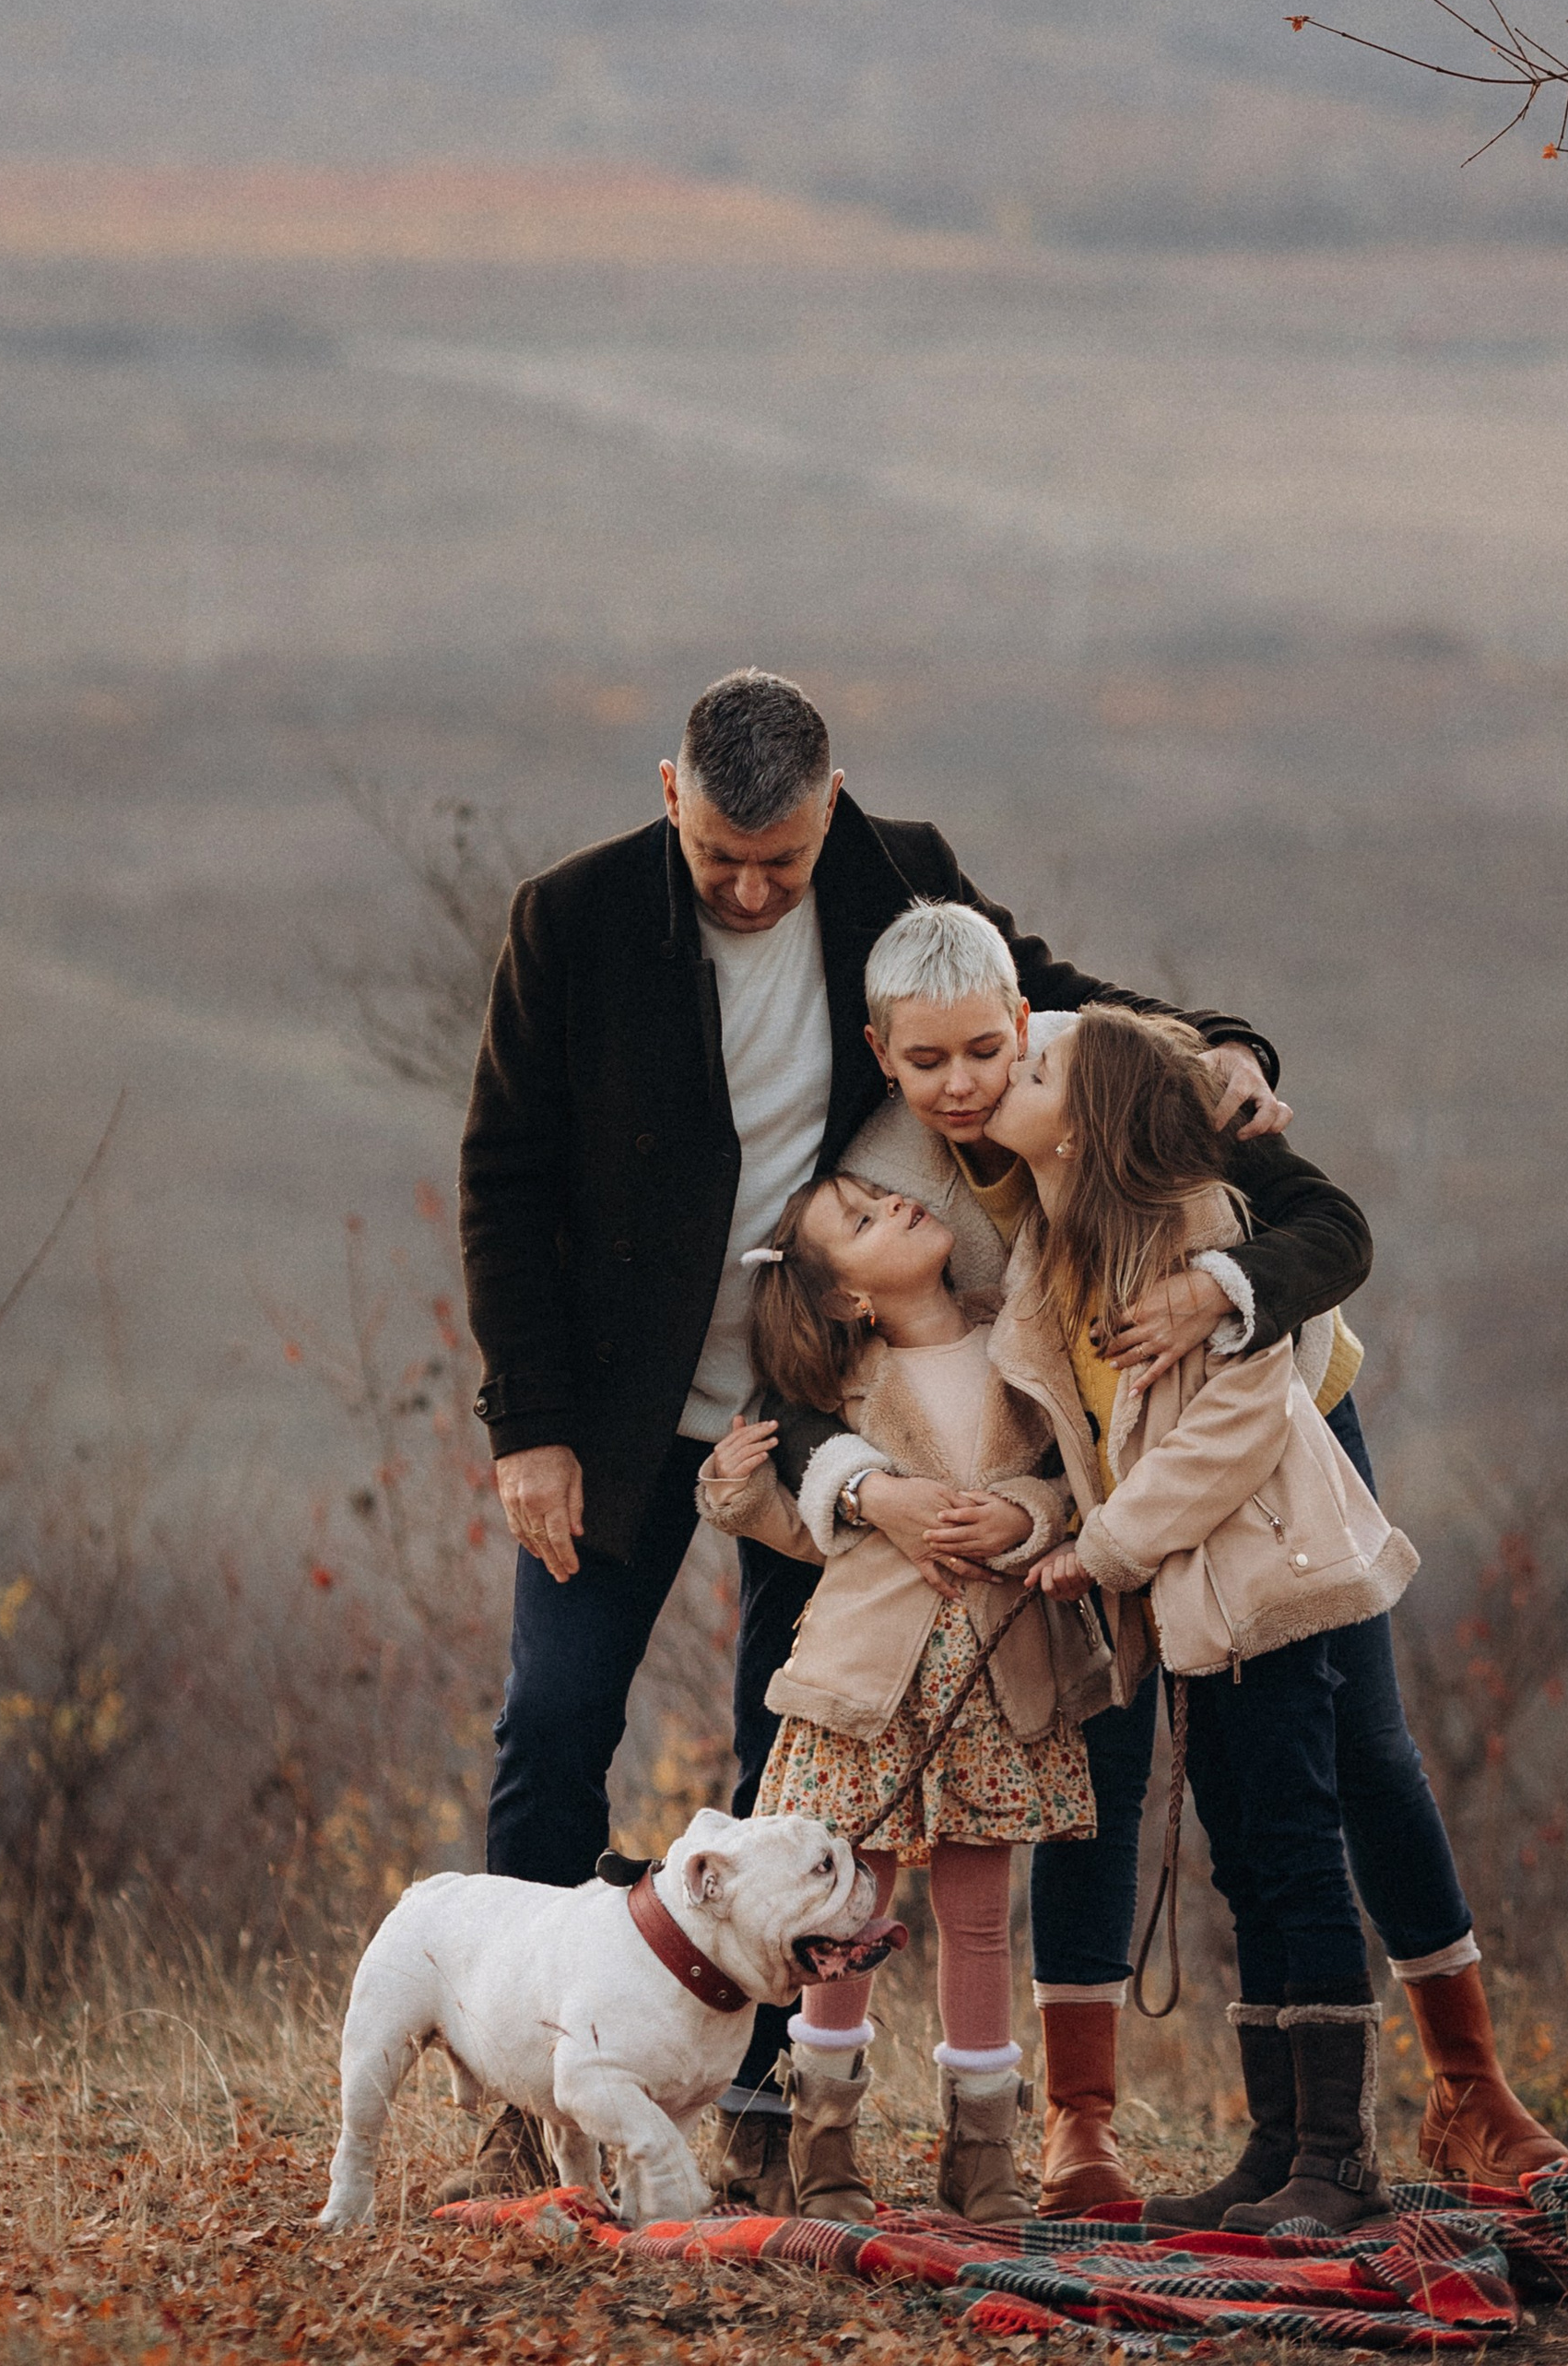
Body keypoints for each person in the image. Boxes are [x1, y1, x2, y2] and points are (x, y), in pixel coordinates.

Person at [453, 666, 1294, 2205]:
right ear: (668, 795)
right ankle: (523, 2115)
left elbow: (1039, 1000)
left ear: (830, 808)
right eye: (721, 858)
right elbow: (503, 1176)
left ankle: (765, 2111)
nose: (752, 889)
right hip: (626, 1418)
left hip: (826, 1406)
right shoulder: (567, 921)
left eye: (781, 858)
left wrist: (1218, 1042)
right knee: (555, 1723)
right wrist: (531, 1423)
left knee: (803, 1779)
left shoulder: (894, 869)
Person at [864, 901, 1568, 2203]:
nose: (969, 1084)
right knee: (1179, 1803)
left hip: (1262, 1495)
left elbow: (1322, 1249)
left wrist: (1225, 1290)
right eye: (929, 1060)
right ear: (879, 1050)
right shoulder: (917, 1176)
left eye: (994, 1053)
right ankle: (1158, 2129)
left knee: (1341, 1775)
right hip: (1127, 1503)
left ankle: (1424, 2108)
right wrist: (1029, 1517)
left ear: (1023, 1023)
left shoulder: (1128, 1097)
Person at [996, 1008, 1420, 2229]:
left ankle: (1338, 2159)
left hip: (1265, 1585)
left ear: (1084, 1128)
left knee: (1293, 1849)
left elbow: (1234, 1430)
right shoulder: (1056, 1251)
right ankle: (1277, 2148)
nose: (1011, 1071)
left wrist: (1103, 1550)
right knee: (1243, 1855)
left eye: (1035, 1066)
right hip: (1192, 1603)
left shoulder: (1204, 1231)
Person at [697, 1160, 1109, 2220]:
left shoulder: (1016, 1341)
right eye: (866, 1218)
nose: (900, 1204)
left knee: (980, 1920)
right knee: (848, 1909)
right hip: (865, 1693)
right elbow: (811, 1535)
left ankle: (982, 2159)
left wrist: (1027, 1516)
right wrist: (736, 1494)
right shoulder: (841, 1394)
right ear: (849, 1296)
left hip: (994, 1688)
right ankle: (824, 2150)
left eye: (884, 1197)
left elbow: (1074, 1473)